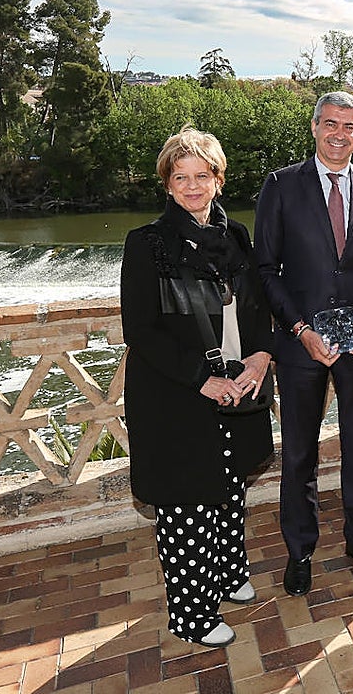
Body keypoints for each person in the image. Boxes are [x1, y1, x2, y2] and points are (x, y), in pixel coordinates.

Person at [121, 125, 274, 648]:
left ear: (218, 180)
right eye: (180, 177)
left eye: (201, 175)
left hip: (238, 382)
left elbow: (255, 306)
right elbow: (140, 331)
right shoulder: (148, 244)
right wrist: (201, 379)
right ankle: (192, 616)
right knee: (187, 501)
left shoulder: (236, 238)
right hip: (177, 394)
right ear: (167, 184)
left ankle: (229, 579)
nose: (192, 186)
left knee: (230, 486)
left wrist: (260, 353)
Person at [255, 91, 353, 595]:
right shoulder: (281, 185)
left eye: (350, 126)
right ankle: (300, 550)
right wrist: (300, 329)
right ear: (314, 127)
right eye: (331, 124)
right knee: (299, 452)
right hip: (300, 345)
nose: (340, 134)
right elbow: (265, 270)